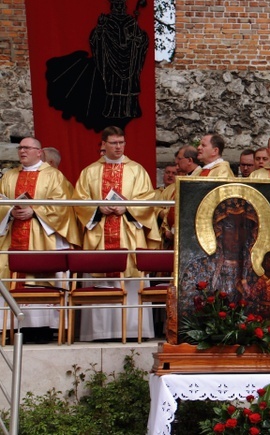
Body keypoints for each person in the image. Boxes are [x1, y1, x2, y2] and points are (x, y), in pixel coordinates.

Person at [73, 126, 160, 341]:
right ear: (103, 144)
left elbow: (149, 198)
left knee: (129, 277)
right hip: (100, 232)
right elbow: (78, 201)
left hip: (127, 231)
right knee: (101, 277)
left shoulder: (136, 170)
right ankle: (99, 332)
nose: (118, 147)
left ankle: (132, 331)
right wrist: (97, 208)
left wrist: (128, 208)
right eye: (113, 143)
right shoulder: (90, 172)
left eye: (121, 142)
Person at [0, 137, 81, 343]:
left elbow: (63, 206)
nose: (22, 151)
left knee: (39, 276)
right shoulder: (9, 176)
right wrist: (10, 211)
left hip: (41, 235)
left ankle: (40, 329)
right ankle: (9, 328)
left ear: (39, 151)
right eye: (20, 148)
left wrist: (35, 210)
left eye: (27, 148)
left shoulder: (54, 176)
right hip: (13, 234)